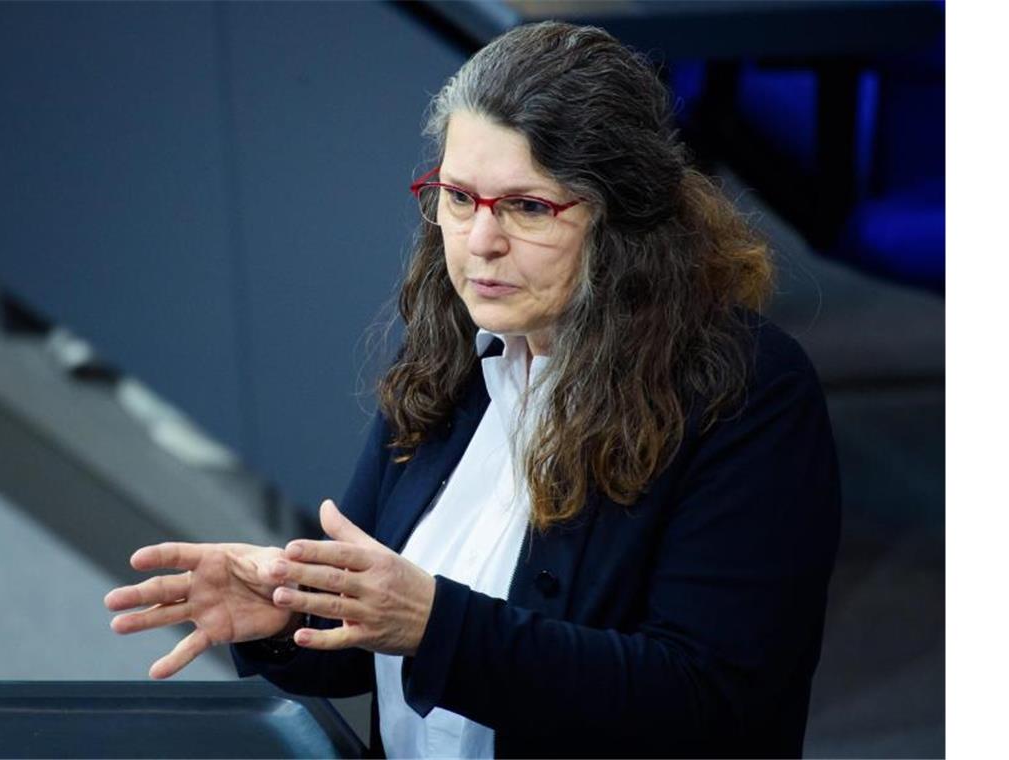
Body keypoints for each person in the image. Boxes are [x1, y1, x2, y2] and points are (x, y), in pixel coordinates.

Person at [105, 21, 840, 759]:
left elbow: (707, 703)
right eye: (458, 197)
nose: (480, 241)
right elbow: (374, 640)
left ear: (624, 222)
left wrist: (436, 624)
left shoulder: (746, 392)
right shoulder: (452, 355)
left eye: (527, 207)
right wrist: (284, 612)